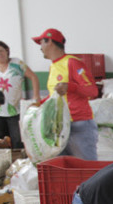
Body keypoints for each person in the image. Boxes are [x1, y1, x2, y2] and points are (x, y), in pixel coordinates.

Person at [32, 28, 98, 160]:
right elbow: (55, 96)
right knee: (64, 170)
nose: (40, 48)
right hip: (59, 126)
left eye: (41, 43)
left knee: (85, 168)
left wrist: (70, 86)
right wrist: (39, 104)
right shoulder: (53, 66)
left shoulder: (72, 62)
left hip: (78, 124)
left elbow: (92, 91)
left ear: (50, 41)